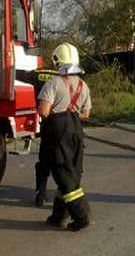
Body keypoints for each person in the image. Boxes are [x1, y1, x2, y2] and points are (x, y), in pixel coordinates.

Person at [37, 42, 93, 231]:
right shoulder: (83, 85)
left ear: (57, 61)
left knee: (63, 175)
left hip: (58, 131)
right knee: (71, 172)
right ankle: (58, 217)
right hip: (76, 130)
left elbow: (44, 112)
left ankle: (81, 216)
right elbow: (86, 114)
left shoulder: (52, 83)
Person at [16, 68, 59, 206]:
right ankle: (64, 198)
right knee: (66, 163)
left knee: (44, 159)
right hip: (66, 124)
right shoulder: (71, 76)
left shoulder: (39, 73)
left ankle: (40, 195)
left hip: (47, 124)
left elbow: (20, 74)